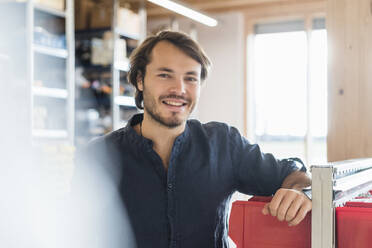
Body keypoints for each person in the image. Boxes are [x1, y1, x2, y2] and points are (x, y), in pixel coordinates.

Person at [74, 30, 311, 248]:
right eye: (165, 75)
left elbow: (295, 175)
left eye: (191, 78)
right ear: (139, 80)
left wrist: (300, 192)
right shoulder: (98, 157)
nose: (179, 89)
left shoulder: (224, 143)